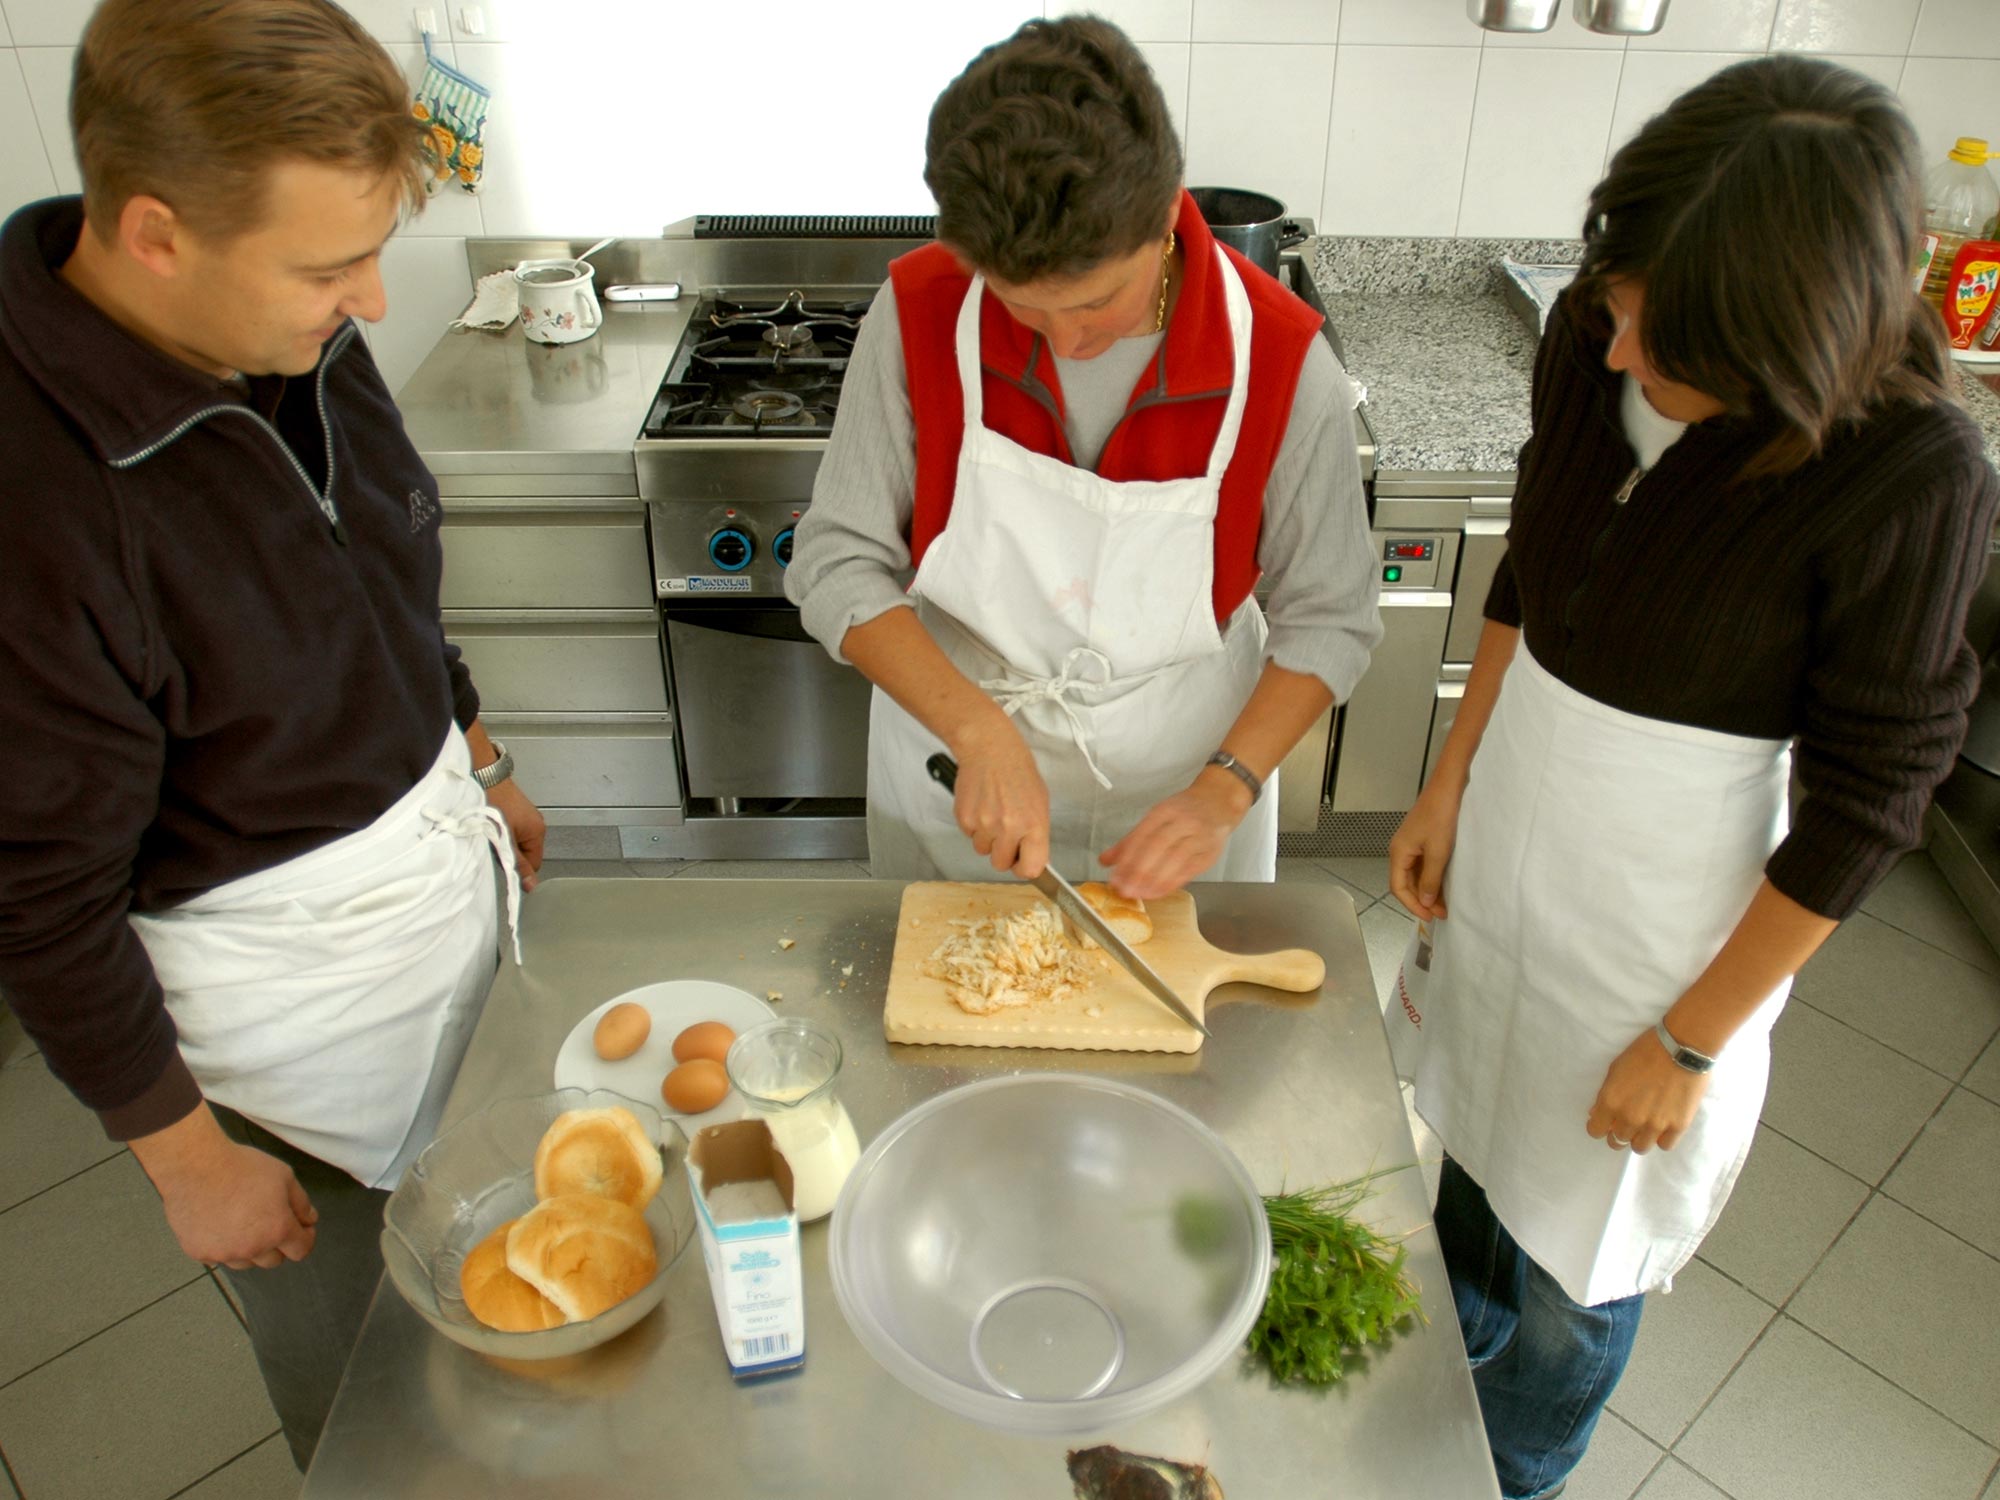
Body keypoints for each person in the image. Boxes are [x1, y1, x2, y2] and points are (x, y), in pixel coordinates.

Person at [1384, 56, 1999, 1500]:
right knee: (1473, 1141)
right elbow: (1539, 557)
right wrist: (1450, 779)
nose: (1612, 355)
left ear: (1793, 345)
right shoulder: (1595, 343)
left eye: (1664, 341)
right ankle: (1426, 1430)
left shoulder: (1911, 475)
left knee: (1577, 1261)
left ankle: (1513, 1476)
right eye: (1621, 303)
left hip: (1671, 918)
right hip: (1519, 812)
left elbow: (1873, 796)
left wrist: (1694, 1041)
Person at [0, 0, 547, 1469]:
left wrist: (476, 757)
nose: (372, 298)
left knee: (505, 1295)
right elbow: (39, 900)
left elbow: (381, 568)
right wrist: (187, 1163)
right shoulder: (43, 509)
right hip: (287, 1063)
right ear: (155, 234)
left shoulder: (284, 323)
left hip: (434, 893)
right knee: (370, 1399)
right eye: (331, 264)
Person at [786, 16, 1380, 897]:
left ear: (1166, 214)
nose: (1066, 342)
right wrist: (979, 731)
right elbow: (836, 561)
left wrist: (1227, 790)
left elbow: (1330, 617)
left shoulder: (1284, 363)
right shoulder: (919, 311)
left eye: (1098, 300)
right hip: (956, 772)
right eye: (1025, 309)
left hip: (1180, 792)